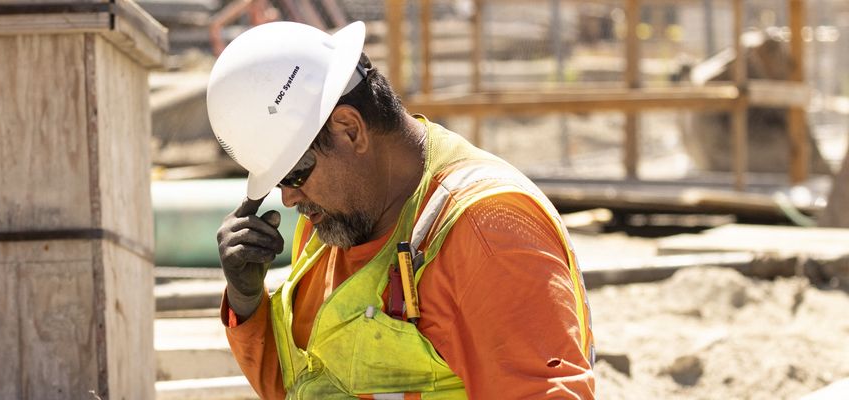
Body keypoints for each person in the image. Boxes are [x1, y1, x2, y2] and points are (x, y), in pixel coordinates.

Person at [207, 21, 595, 399]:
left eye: (294, 174)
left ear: (350, 129)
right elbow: (306, 385)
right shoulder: (335, 221)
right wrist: (246, 301)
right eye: (279, 182)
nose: (289, 199)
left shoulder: (488, 233)